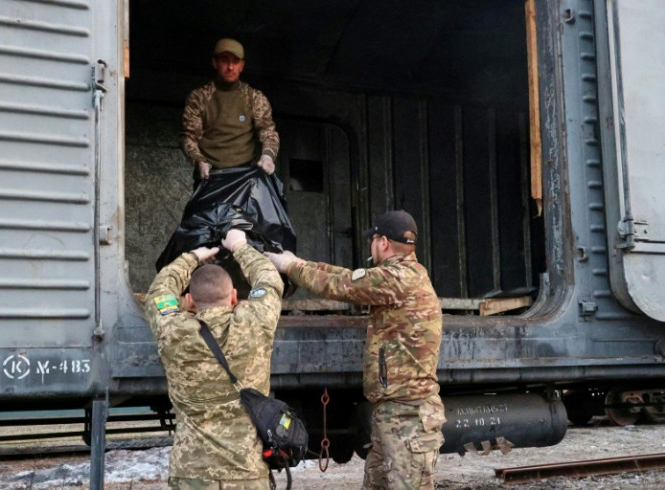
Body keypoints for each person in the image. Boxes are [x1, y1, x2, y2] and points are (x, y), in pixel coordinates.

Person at [265, 210, 446, 489]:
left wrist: (290, 267)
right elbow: (349, 276)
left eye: (373, 240)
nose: (371, 246)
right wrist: (299, 262)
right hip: (394, 414)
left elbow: (341, 285)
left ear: (383, 242)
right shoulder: (400, 275)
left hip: (408, 416)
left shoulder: (396, 279)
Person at [144, 228, 284, 489]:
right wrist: (239, 246)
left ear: (189, 302)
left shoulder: (174, 331)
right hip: (247, 474)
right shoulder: (254, 324)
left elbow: (159, 291)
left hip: (191, 475)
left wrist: (193, 257)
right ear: (234, 298)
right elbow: (269, 280)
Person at [180, 38, 280, 189]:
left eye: (236, 61)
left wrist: (268, 156)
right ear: (215, 63)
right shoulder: (199, 97)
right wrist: (199, 162)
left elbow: (268, 132)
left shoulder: (254, 98)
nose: (230, 67)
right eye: (225, 61)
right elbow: (188, 137)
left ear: (242, 66)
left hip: (244, 179)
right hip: (209, 178)